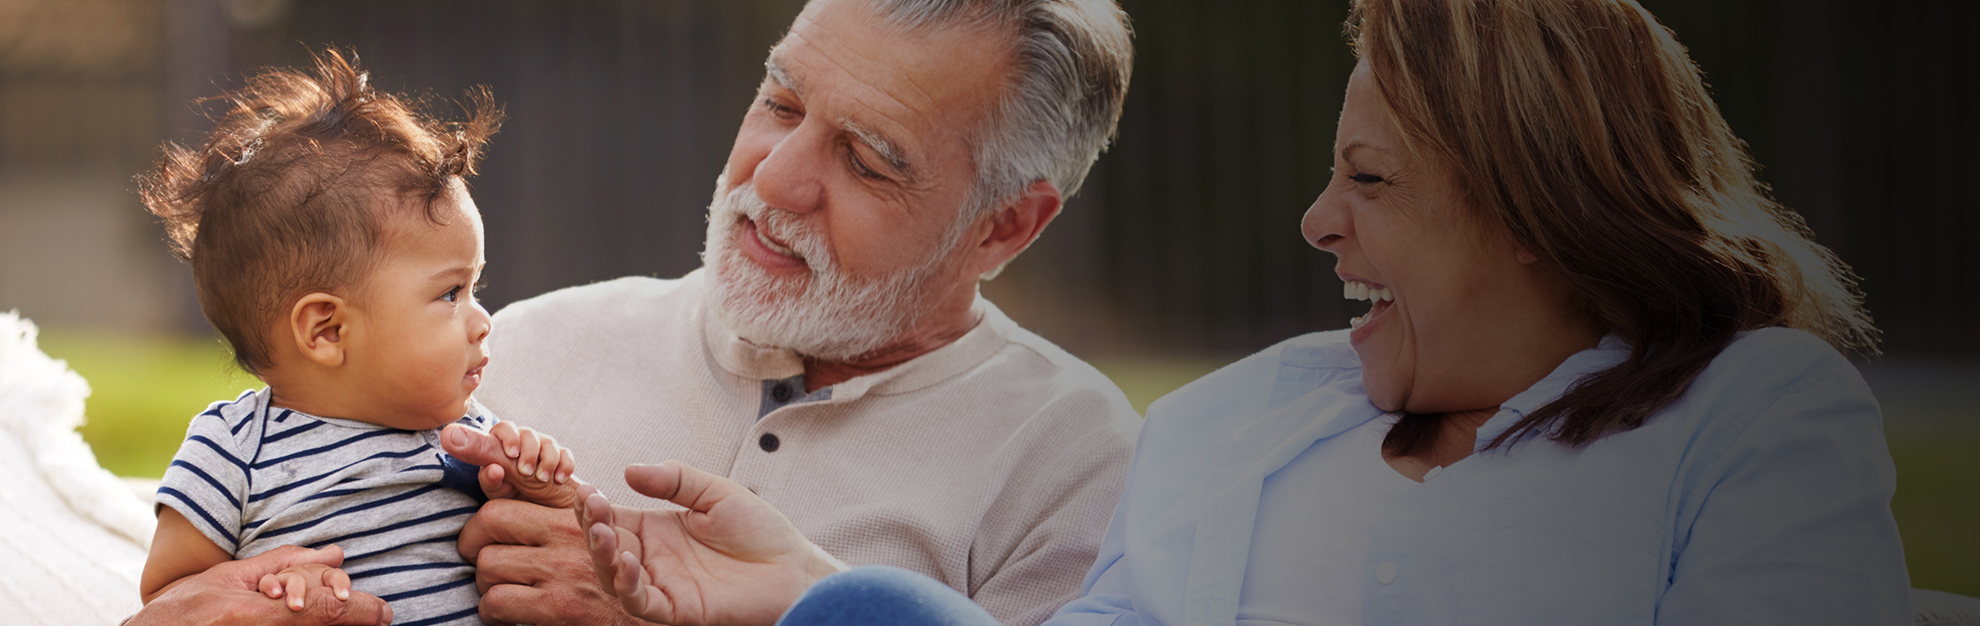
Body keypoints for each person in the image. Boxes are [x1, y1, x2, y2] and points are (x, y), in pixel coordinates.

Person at [572, 0, 1912, 624]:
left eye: (1370, 180)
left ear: (1536, 208)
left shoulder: (1750, 412)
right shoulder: (1249, 418)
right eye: (781, 98)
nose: (1320, 223)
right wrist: (811, 594)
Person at [444, 0, 1142, 625]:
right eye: (781, 104)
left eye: (867, 161)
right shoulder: (514, 351)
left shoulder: (1082, 471)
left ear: (1005, 225)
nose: (774, 177)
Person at [131, 50, 581, 626]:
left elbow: (554, 553)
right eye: (451, 293)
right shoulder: (235, 451)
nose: (482, 318)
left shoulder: (468, 437)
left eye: (475, 287)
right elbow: (173, 600)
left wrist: (535, 480)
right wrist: (270, 591)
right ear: (327, 330)